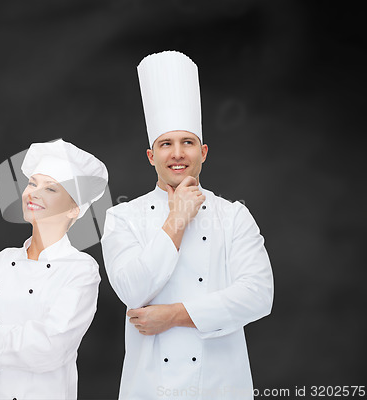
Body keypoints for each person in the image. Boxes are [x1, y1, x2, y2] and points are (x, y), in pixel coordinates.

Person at [101, 51, 274, 400]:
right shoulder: (123, 217)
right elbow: (132, 292)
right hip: (149, 388)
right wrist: (177, 218)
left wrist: (175, 315)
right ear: (152, 156)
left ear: (203, 151)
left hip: (221, 384)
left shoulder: (234, 215)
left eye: (187, 143)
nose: (177, 153)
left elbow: (258, 295)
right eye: (166, 144)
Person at [0, 139, 108, 400]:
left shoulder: (81, 269)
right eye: (32, 183)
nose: (33, 193)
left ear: (74, 209)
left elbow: (52, 345)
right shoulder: (1, 262)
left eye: (50, 189)